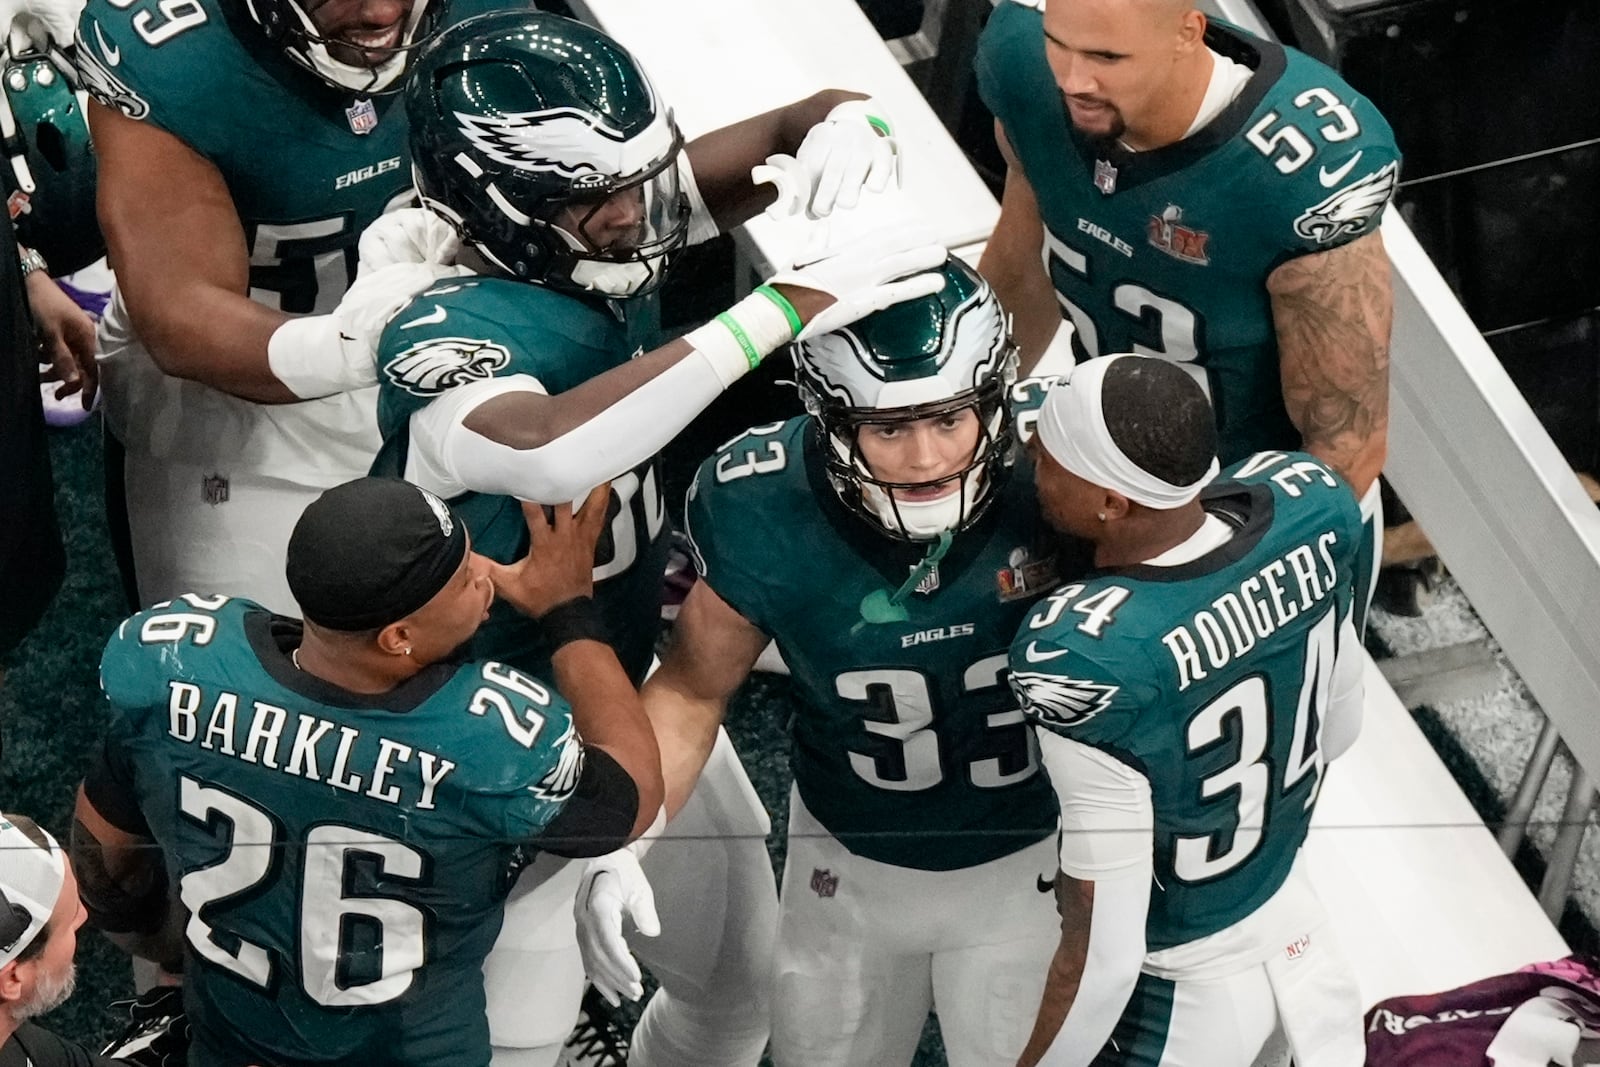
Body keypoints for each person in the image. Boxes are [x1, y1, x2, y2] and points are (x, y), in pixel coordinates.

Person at [375, 11, 944, 1066]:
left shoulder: (588, 230)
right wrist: (786, 307)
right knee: (507, 1041)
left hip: (624, 676)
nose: (638, 215)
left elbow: (795, 122)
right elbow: (546, 452)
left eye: (639, 180)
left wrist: (846, 126)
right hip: (480, 742)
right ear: (507, 206)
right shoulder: (430, 325)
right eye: (604, 196)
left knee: (735, 986)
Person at [576, 257, 1068, 1067]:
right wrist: (624, 830)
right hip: (848, 857)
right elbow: (695, 690)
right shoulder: (761, 500)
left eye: (949, 419)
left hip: (1031, 856)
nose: (924, 458)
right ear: (830, 417)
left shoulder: (1059, 468)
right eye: (889, 427)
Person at [70, 475, 665, 1067]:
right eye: (462, 578)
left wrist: (165, 951)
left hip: (232, 1038)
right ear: (398, 635)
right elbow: (631, 798)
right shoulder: (487, 739)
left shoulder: (176, 663)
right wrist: (570, 613)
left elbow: (105, 862)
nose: (484, 573)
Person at [974, 0, 1400, 629]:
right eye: (1059, 44)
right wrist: (961, 416)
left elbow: (1346, 448)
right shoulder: (1023, 63)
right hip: (1106, 465)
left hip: (1254, 507)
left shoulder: (1293, 174)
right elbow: (1023, 260)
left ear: (1187, 32)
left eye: (1106, 57)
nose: (1072, 79)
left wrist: (1204, 588)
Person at [73, 0, 501, 614]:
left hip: (424, 358)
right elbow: (184, 319)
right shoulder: (178, 55)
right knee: (254, 678)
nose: (383, 11)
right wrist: (371, 344)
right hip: (229, 404)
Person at [1007, 354, 1367, 1066]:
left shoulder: (1088, 653)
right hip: (1298, 921)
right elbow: (1343, 727)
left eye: (1049, 457)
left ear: (1112, 503)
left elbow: (1101, 955)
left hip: (1187, 993)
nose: (1032, 461)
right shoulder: (1310, 500)